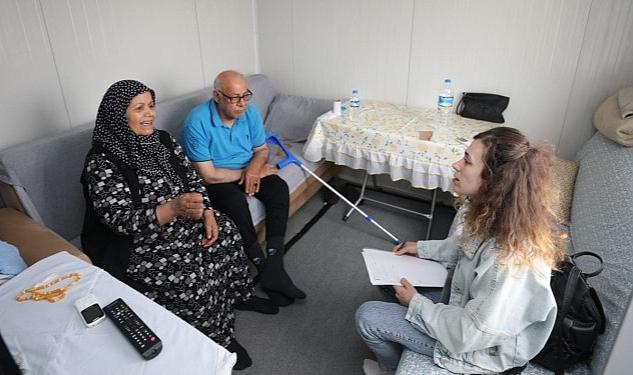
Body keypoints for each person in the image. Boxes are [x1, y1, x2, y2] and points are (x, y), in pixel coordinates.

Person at [81, 80, 275, 370]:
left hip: (184, 219)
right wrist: (171, 208)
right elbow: (118, 220)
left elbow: (193, 180)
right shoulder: (102, 161)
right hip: (139, 241)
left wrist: (207, 210)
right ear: (119, 116)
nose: (150, 114)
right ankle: (216, 338)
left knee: (226, 231)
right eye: (139, 108)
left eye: (151, 105)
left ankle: (239, 295)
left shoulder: (162, 140)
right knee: (186, 267)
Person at [355, 127, 565, 375]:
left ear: (495, 180)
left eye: (466, 161)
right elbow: (464, 246)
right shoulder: (496, 213)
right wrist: (421, 248)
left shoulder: (508, 261)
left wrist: (416, 303)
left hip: (480, 349)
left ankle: (389, 369)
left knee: (367, 317)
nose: (455, 165)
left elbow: (469, 334)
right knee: (389, 281)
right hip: (466, 308)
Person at [181, 70, 305, 306]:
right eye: (234, 98)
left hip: (247, 168)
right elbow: (208, 175)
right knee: (235, 203)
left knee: (277, 187)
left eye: (246, 96)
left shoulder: (249, 112)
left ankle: (274, 266)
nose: (242, 103)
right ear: (217, 96)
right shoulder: (196, 122)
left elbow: (262, 150)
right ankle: (261, 265)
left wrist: (254, 169)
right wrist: (245, 173)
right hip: (216, 179)